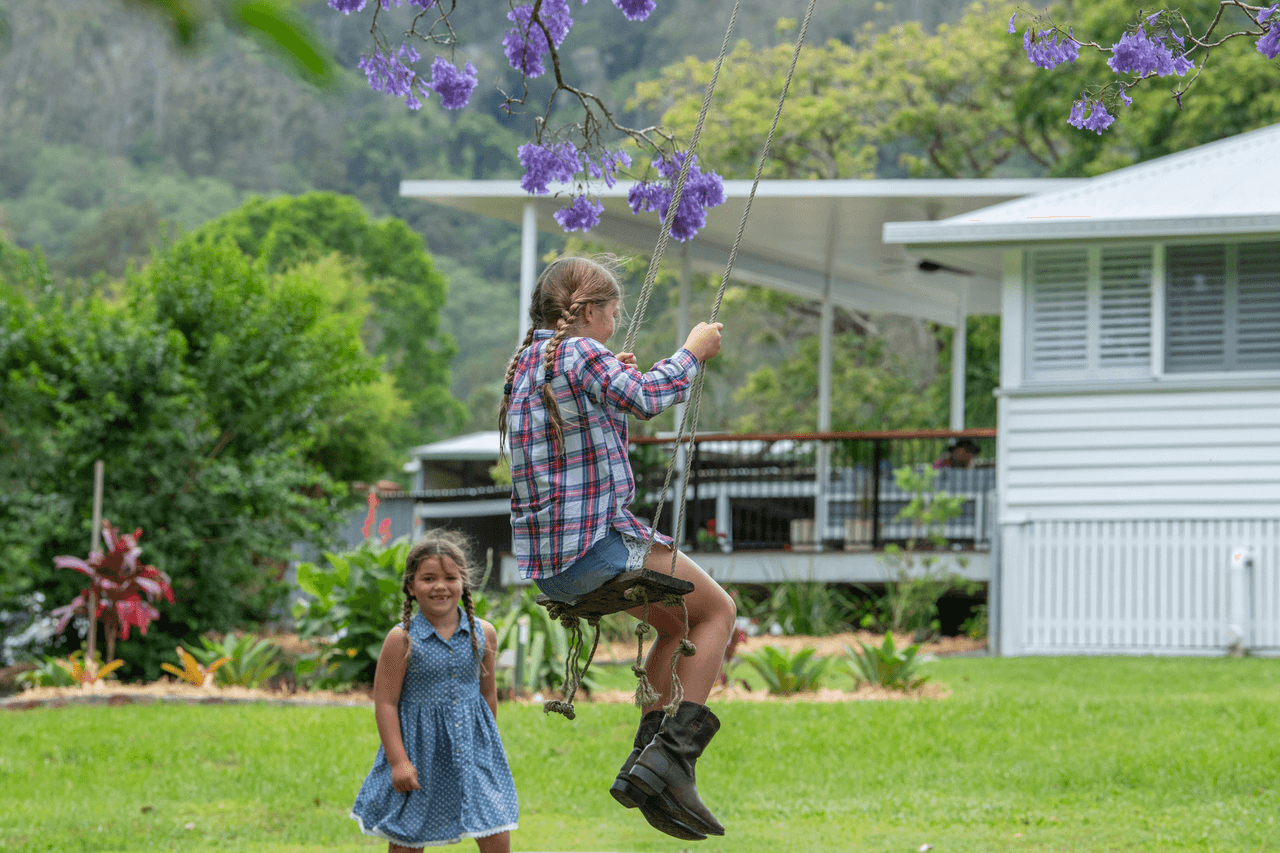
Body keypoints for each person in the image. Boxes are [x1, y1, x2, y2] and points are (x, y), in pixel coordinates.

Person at [498, 254, 737, 842]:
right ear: (586, 310)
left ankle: (649, 766)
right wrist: (694, 349)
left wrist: (611, 375)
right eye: (613, 311)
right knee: (716, 613)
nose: (615, 321)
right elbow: (650, 397)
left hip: (553, 566)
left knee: (674, 628)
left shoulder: (531, 360)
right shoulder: (580, 353)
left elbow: (593, 416)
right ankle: (673, 761)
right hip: (595, 547)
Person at [350, 530, 518, 853]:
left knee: (496, 826)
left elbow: (488, 695)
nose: (440, 586)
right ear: (411, 586)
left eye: (450, 578)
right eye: (428, 578)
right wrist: (399, 761)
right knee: (409, 836)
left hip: (476, 755)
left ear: (463, 582)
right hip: (420, 754)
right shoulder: (402, 639)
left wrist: (488, 746)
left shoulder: (484, 634)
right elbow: (385, 702)